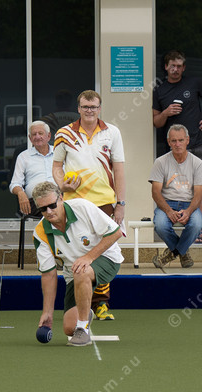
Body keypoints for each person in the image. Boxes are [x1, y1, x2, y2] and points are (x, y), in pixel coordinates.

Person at [51, 90, 126, 320]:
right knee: (79, 251)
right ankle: (79, 305)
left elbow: (119, 169)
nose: (89, 111)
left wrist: (121, 203)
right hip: (74, 204)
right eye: (85, 107)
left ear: (99, 108)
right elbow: (56, 167)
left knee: (103, 251)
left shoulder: (112, 132)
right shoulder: (64, 133)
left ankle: (101, 304)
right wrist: (62, 184)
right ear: (78, 108)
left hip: (104, 202)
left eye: (93, 107)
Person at [33, 182, 123, 346]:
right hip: (74, 271)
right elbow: (48, 274)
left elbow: (116, 232)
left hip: (106, 258)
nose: (49, 212)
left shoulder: (82, 207)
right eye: (43, 209)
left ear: (61, 198)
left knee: (81, 271)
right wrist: (47, 312)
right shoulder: (40, 232)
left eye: (52, 205)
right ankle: (83, 315)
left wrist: (89, 257)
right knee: (69, 328)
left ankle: (83, 328)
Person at [152, 50, 202, 243]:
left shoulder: (194, 83)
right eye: (172, 65)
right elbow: (156, 122)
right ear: (166, 67)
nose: (176, 69)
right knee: (181, 189)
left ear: (184, 68)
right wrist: (166, 113)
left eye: (179, 66)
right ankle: (184, 226)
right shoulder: (160, 91)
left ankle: (200, 227)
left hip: (201, 142)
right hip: (178, 148)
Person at [149, 124, 202, 269]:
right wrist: (168, 210)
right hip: (167, 203)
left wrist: (188, 211)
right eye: (174, 141)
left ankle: (173, 252)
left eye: (181, 140)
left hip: (189, 204)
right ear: (168, 142)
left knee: (196, 225)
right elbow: (155, 192)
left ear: (187, 140)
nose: (177, 144)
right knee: (161, 225)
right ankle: (183, 252)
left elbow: (199, 192)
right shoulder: (160, 162)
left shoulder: (197, 163)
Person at [8, 120, 55, 216]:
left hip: (60, 198)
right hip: (36, 203)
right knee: (54, 209)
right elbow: (14, 184)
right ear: (30, 138)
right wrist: (21, 193)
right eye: (34, 134)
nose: (37, 137)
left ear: (48, 136)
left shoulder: (59, 152)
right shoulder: (23, 156)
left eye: (40, 133)